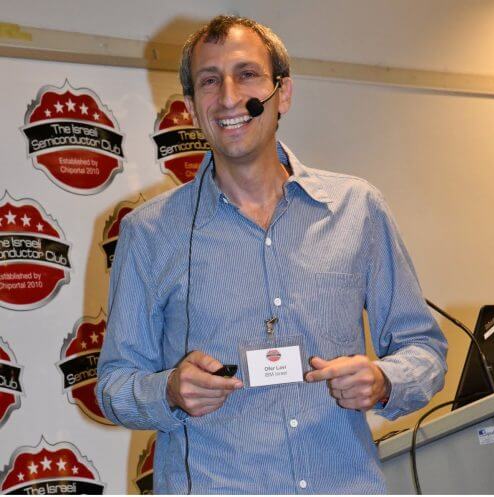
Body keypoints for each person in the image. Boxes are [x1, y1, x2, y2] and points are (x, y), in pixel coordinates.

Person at [97, 15, 447, 494]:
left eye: (247, 75)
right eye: (209, 81)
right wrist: (170, 390)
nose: (228, 97)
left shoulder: (356, 209)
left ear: (282, 93)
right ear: (193, 108)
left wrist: (385, 379)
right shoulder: (150, 234)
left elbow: (423, 348)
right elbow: (114, 385)